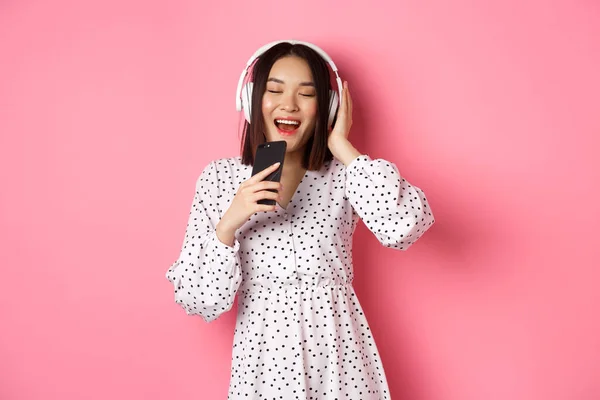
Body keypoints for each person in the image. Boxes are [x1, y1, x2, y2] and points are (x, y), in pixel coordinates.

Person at [166, 40, 435, 399]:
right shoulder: (219, 179)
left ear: (327, 107)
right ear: (251, 100)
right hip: (263, 365)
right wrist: (230, 222)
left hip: (341, 361)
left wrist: (344, 149)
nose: (288, 104)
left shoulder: (344, 176)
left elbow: (404, 226)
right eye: (274, 90)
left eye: (306, 94)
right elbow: (200, 299)